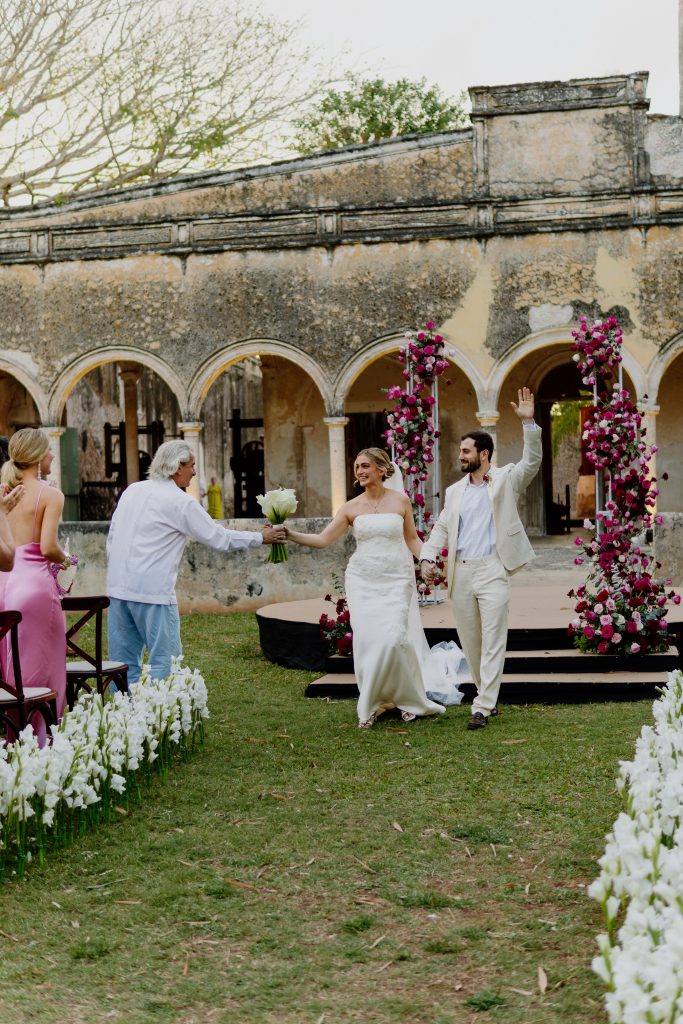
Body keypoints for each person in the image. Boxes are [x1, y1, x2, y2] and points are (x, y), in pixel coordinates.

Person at [285, 448, 467, 728]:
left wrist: (427, 559)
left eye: (365, 465)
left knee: (395, 640)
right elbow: (323, 540)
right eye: (357, 466)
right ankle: (372, 704)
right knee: (369, 643)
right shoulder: (350, 507)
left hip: (396, 578)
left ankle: (406, 698)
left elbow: (413, 540)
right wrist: (290, 534)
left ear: (382, 470)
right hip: (362, 580)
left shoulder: (401, 501)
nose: (359, 471)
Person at [106, 439, 286, 686]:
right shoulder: (180, 501)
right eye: (191, 466)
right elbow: (218, 537)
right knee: (166, 664)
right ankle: (161, 716)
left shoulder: (132, 490)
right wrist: (260, 537)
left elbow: (112, 537)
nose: (194, 472)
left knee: (123, 666)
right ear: (177, 467)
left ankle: (121, 718)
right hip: (153, 592)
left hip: (118, 589)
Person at [421, 387, 542, 731]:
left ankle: (483, 706)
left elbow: (532, 461)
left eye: (465, 451)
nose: (460, 456)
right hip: (461, 573)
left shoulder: (505, 479)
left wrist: (528, 422)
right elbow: (443, 526)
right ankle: (485, 693)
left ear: (483, 454)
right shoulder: (455, 491)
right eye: (461, 451)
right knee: (471, 641)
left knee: (493, 639)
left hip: (492, 569)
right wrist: (429, 556)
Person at [0, 428, 71, 743]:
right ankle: (41, 741)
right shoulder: (50, 494)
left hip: (4, 581)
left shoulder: (4, 491)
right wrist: (68, 560)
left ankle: (12, 738)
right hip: (34, 587)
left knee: (9, 669)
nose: (53, 455)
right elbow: (47, 547)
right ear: (39, 458)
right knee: (42, 666)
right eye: (49, 451)